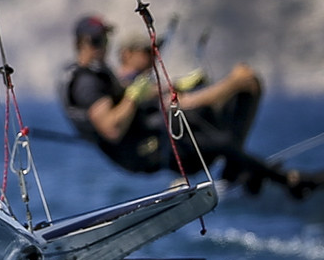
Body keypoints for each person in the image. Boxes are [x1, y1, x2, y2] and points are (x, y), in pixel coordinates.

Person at [61, 15, 314, 197]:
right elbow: (111, 128)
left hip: (155, 137)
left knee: (242, 95)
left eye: (104, 40)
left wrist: (180, 83)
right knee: (221, 140)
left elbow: (139, 95)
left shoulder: (103, 76)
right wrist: (133, 97)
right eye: (95, 41)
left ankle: (241, 169)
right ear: (79, 44)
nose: (101, 47)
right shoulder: (87, 83)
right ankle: (287, 181)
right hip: (143, 151)